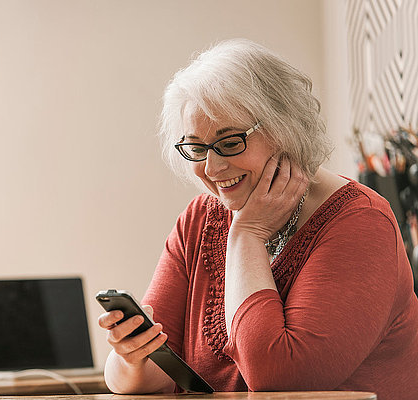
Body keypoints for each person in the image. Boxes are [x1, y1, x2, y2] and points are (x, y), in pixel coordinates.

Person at [97, 39, 418, 400]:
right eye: (197, 148)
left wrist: (247, 234)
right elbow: (158, 376)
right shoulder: (199, 220)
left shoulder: (361, 223)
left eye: (230, 142)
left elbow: (277, 377)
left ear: (285, 128)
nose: (212, 168)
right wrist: (131, 358)